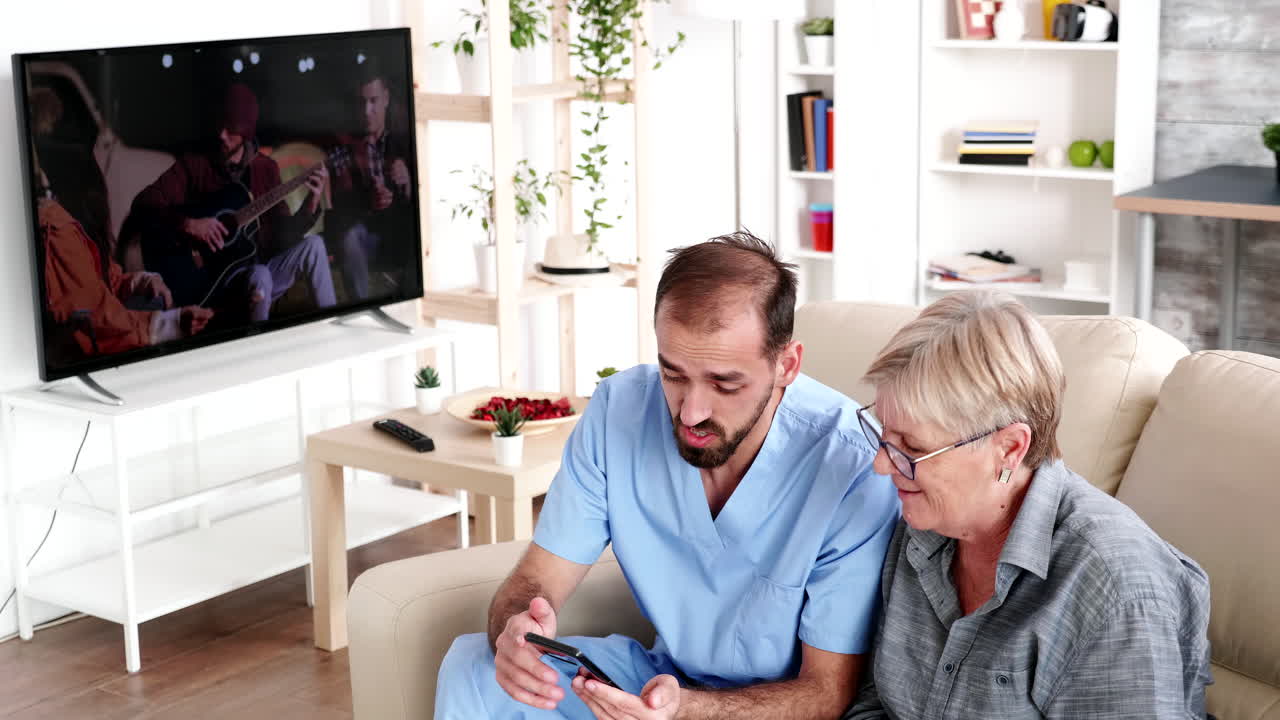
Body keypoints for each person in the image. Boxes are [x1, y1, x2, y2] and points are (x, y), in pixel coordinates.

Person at [436, 232, 901, 719]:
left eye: (724, 383)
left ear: (786, 365)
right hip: (660, 681)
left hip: (771, 709)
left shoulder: (854, 464)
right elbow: (537, 578)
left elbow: (825, 693)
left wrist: (682, 713)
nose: (691, 412)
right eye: (673, 374)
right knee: (473, 666)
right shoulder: (619, 411)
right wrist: (516, 633)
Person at [842, 290, 1213, 719]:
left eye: (913, 447)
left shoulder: (1113, 586)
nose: (882, 465)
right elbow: (875, 702)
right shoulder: (923, 524)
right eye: (884, 434)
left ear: (1010, 448)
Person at [26, 86, 212, 364]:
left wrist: (140, 280)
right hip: (86, 349)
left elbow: (100, 281)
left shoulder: (70, 214)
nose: (102, 159)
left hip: (107, 324)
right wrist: (169, 324)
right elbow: (94, 315)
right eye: (92, 148)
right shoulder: (56, 228)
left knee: (157, 299)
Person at [130, 82, 335, 324]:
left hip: (259, 269)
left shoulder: (265, 169)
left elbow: (283, 235)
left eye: (230, 130)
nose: (221, 135)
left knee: (314, 245)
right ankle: (256, 347)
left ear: (246, 133)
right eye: (220, 126)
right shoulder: (195, 165)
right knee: (260, 276)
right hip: (213, 282)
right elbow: (143, 204)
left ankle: (332, 325)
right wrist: (189, 224)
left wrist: (312, 201)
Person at [326, 60, 415, 301]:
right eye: (361, 103)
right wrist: (369, 200)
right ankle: (361, 306)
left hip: (400, 234)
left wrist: (408, 184)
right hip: (368, 240)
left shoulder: (406, 141)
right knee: (349, 237)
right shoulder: (342, 150)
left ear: (386, 98)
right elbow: (339, 209)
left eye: (373, 101)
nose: (367, 111)